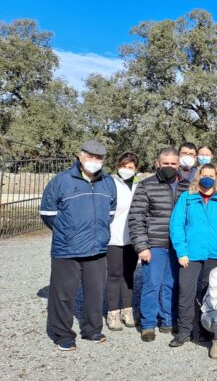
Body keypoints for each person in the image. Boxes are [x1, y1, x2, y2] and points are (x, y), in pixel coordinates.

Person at [40, 141, 117, 351]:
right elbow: (47, 213)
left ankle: (92, 330)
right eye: (90, 156)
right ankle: (62, 334)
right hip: (67, 249)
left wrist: (97, 232)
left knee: (95, 292)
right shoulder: (61, 181)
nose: (94, 161)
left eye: (99, 158)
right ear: (80, 156)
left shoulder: (108, 182)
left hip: (97, 248)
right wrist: (68, 232)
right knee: (63, 294)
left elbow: (110, 212)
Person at [169, 164, 217, 347]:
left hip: (215, 254)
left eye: (211, 175)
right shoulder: (187, 198)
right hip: (190, 254)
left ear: (216, 177)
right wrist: (181, 251)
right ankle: (184, 331)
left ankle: (202, 330)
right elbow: (176, 225)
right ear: (198, 176)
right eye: (204, 174)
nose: (207, 178)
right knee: (186, 291)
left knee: (209, 292)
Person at [128, 147, 190, 342]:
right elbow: (136, 217)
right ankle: (147, 324)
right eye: (166, 164)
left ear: (178, 165)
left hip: (177, 246)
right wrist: (142, 246)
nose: (170, 167)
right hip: (154, 243)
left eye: (173, 164)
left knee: (170, 284)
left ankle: (167, 319)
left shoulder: (187, 186)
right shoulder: (146, 186)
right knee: (151, 284)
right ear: (158, 164)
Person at [106, 151, 140, 331]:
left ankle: (127, 310)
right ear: (117, 166)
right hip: (113, 237)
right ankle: (112, 312)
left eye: (131, 167)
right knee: (114, 274)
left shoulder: (138, 186)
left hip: (132, 238)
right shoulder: (110, 183)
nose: (127, 170)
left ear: (136, 169)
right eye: (124, 166)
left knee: (128, 275)